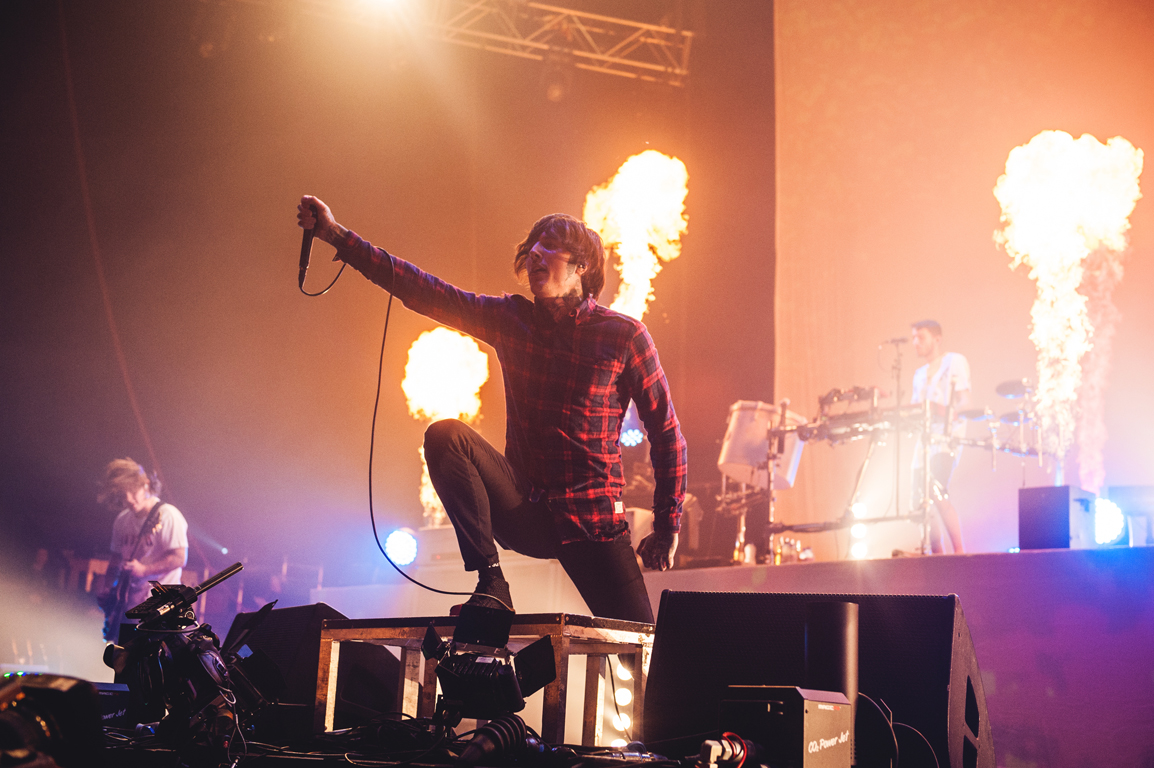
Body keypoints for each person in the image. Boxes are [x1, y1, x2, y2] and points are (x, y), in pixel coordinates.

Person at [298, 196, 686, 623]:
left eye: (549, 246)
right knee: (445, 436)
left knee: (641, 645)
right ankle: (491, 583)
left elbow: (667, 435)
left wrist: (667, 525)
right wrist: (336, 235)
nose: (535, 253)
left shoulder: (624, 336)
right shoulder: (511, 320)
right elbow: (428, 291)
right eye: (532, 246)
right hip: (525, 510)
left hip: (592, 523)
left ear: (582, 266)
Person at [909, 320, 969, 554]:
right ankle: (937, 554)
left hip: (946, 439)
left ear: (937, 339)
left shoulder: (954, 362)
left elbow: (965, 402)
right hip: (923, 442)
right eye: (914, 338)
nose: (916, 342)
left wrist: (946, 412)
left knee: (936, 489)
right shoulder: (918, 374)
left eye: (921, 337)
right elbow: (915, 410)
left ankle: (959, 552)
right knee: (921, 499)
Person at [98, 458, 189, 612]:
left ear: (145, 484)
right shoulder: (122, 520)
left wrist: (144, 570)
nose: (128, 499)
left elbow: (180, 558)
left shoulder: (168, 515)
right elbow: (115, 559)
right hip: (127, 605)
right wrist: (107, 589)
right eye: (123, 495)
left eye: (133, 492)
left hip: (161, 607)